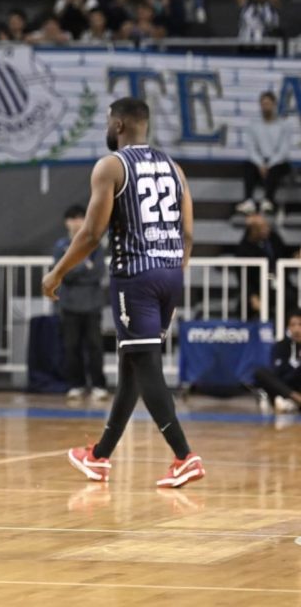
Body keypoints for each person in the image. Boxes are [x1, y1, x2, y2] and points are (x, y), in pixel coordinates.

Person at [42, 97, 205, 489]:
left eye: (107, 122)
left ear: (118, 125)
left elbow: (91, 233)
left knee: (145, 365)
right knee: (133, 362)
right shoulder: (174, 168)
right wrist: (174, 271)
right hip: (171, 272)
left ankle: (184, 456)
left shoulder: (112, 166)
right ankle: (100, 456)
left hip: (135, 276)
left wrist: (58, 272)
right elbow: (188, 233)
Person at [53, 205, 108, 401]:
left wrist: (75, 268)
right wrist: (84, 266)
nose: (76, 223)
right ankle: (76, 384)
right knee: (71, 346)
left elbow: (98, 273)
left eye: (80, 218)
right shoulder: (61, 246)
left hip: (92, 304)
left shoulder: (95, 245)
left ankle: (98, 384)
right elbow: (62, 273)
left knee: (95, 346)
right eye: (72, 219)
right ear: (66, 223)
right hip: (69, 304)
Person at [237, 91, 291, 215]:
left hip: (277, 162)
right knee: (248, 166)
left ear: (274, 105)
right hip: (260, 161)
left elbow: (284, 150)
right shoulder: (254, 126)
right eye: (263, 104)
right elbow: (251, 149)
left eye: (268, 104)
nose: (266, 107)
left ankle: (268, 200)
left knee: (277, 168)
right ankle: (249, 200)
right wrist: (260, 164)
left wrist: (269, 164)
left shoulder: (284, 126)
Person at [235, 213, 292, 320]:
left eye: (266, 225)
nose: (266, 229)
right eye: (261, 227)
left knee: (290, 297)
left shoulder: (274, 238)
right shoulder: (243, 249)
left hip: (278, 283)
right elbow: (244, 278)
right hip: (257, 288)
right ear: (253, 230)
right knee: (247, 306)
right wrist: (252, 296)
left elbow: (285, 254)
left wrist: (295, 255)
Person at [252, 310, 301, 413]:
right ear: (288, 327)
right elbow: (277, 372)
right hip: (284, 387)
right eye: (293, 325)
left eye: (300, 325)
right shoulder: (280, 346)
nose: (296, 329)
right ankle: (295, 399)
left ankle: (289, 403)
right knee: (260, 373)